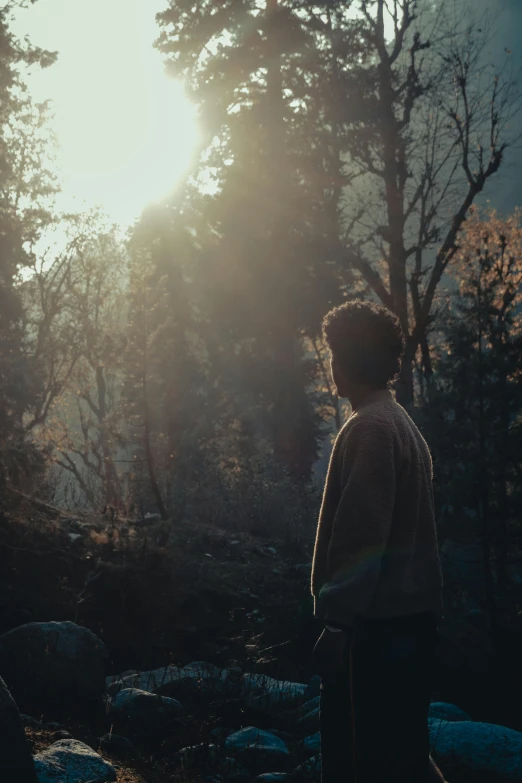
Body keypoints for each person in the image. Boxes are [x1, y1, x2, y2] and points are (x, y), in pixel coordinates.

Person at [311, 300, 445, 783]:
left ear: (346, 362)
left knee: (356, 760)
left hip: (373, 633)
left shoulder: (369, 429)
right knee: (404, 755)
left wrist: (339, 625)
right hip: (410, 628)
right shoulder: (400, 424)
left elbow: (363, 535)